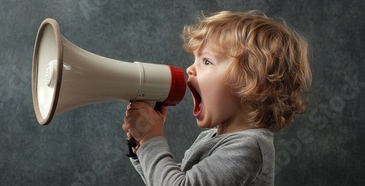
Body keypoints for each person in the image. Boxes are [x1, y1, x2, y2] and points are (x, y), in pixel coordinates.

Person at [122, 10, 312, 185]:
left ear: (256, 86)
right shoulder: (211, 137)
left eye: (206, 61)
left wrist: (150, 138)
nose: (190, 69)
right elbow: (167, 180)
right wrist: (140, 147)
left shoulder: (248, 147)